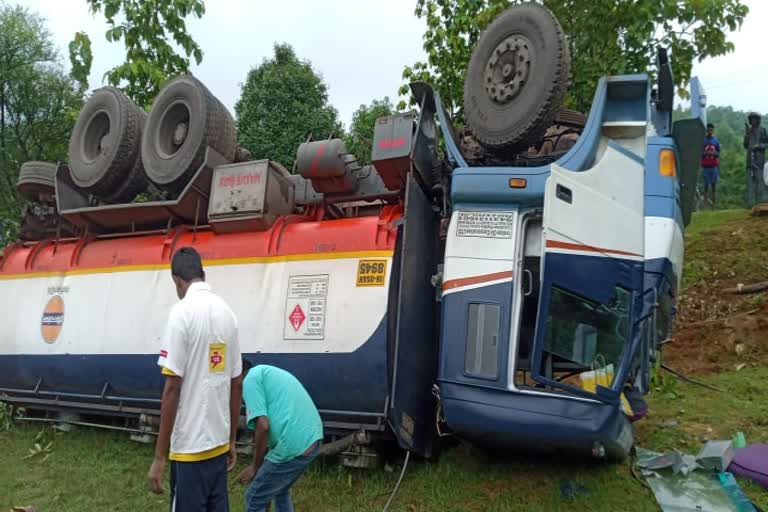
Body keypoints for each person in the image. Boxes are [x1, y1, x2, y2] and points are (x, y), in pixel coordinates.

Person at [148, 246, 243, 512]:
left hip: (190, 450)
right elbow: (237, 382)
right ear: (203, 273)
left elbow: (172, 387)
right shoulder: (228, 314)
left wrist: (159, 456)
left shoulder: (181, 313)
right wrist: (231, 440)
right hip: (218, 447)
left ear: (177, 280)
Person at [238, 362, 323, 512]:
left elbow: (263, 426)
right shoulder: (264, 373)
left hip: (294, 443)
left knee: (254, 497)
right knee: (279, 490)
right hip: (312, 436)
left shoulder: (249, 380)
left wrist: (255, 467)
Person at [743, 112, 768, 208]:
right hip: (750, 160)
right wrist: (747, 135)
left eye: (755, 119)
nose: (753, 121)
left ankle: (761, 202)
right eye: (751, 119)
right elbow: (745, 145)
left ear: (758, 120)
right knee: (750, 183)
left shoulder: (763, 130)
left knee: (760, 182)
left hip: (759, 160)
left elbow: (766, 144)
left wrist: (759, 146)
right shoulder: (749, 131)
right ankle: (750, 204)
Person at [701, 123, 720, 208]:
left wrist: (714, 153)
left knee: (714, 186)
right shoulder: (703, 140)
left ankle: (714, 206)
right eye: (708, 130)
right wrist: (706, 153)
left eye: (711, 130)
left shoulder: (716, 141)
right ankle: (705, 205)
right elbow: (699, 152)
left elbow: (718, 152)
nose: (709, 131)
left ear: (713, 130)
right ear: (706, 130)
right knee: (705, 186)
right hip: (705, 167)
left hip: (714, 166)